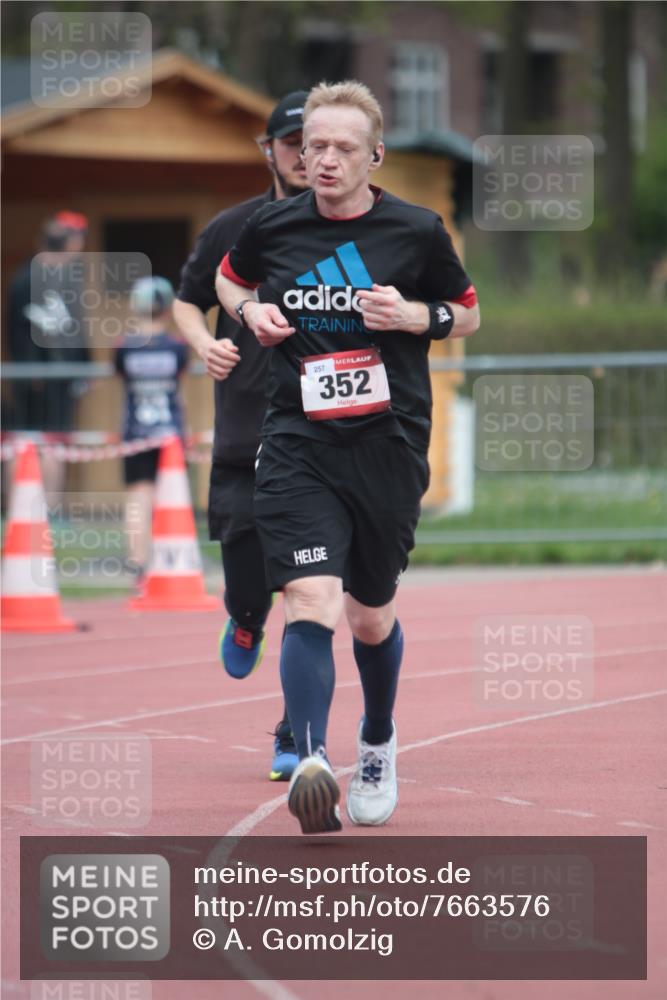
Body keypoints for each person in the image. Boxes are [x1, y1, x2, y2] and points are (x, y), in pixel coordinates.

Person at [216, 80, 480, 834]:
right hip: (297, 438)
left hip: (387, 442)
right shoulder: (272, 226)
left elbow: (467, 313)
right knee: (309, 599)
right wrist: (251, 313)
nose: (323, 160)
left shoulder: (416, 231)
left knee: (368, 616)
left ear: (375, 156)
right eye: (313, 147)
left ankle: (377, 740)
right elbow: (230, 282)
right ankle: (310, 759)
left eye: (341, 148)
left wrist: (414, 315)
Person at [173, 91, 310, 782]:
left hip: (324, 438)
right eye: (293, 143)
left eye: (321, 143)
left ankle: (295, 734)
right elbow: (186, 300)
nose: (308, 156)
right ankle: (245, 618)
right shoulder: (236, 227)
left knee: (311, 594)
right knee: (251, 588)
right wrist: (205, 344)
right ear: (269, 150)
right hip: (245, 433)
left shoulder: (365, 233)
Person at [7, 211, 89, 504]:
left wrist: (83, 368)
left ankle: (33, 509)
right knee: (41, 442)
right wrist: (34, 372)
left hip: (51, 375)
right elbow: (24, 332)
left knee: (36, 440)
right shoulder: (33, 279)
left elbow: (73, 330)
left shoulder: (52, 278)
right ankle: (41, 510)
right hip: (43, 376)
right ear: (70, 244)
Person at [115, 277, 188, 583]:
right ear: (168, 309)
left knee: (138, 496)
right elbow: (179, 384)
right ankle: (169, 560)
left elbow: (122, 378)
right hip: (170, 432)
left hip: (136, 432)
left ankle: (137, 561)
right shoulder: (177, 347)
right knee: (170, 497)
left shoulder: (124, 347)